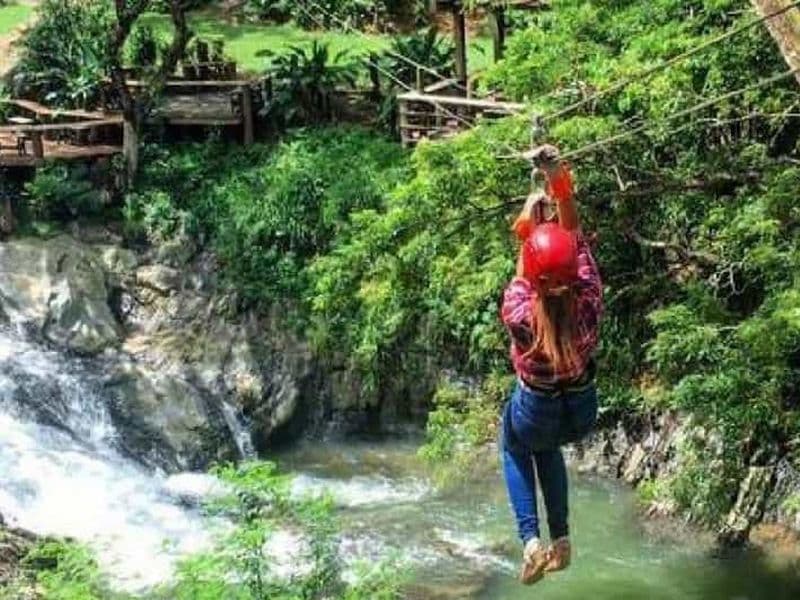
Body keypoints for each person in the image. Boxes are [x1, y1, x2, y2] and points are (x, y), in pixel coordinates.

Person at [499, 149, 603, 586]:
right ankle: (562, 539)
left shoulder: (520, 315)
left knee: (514, 445)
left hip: (536, 407)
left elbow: (528, 270)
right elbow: (573, 236)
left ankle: (532, 542)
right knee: (548, 447)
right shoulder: (589, 302)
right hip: (580, 409)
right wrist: (557, 178)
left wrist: (528, 223)